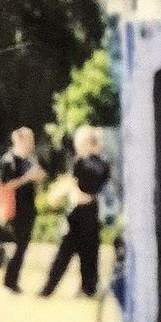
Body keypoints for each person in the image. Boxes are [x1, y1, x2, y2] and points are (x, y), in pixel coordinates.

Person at [39, 125, 110, 298]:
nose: (77, 146)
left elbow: (75, 187)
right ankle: (87, 289)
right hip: (88, 212)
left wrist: (65, 194)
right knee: (88, 254)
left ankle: (49, 289)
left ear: (86, 142)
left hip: (78, 213)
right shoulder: (104, 165)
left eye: (79, 142)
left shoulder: (83, 163)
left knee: (66, 253)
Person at [0, 125, 44, 292]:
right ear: (20, 140)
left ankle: (13, 280)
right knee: (17, 245)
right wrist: (27, 178)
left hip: (29, 208)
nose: (32, 143)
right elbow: (5, 185)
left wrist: (37, 179)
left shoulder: (30, 161)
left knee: (23, 246)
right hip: (14, 209)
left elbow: (34, 184)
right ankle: (9, 281)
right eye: (29, 140)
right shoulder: (8, 160)